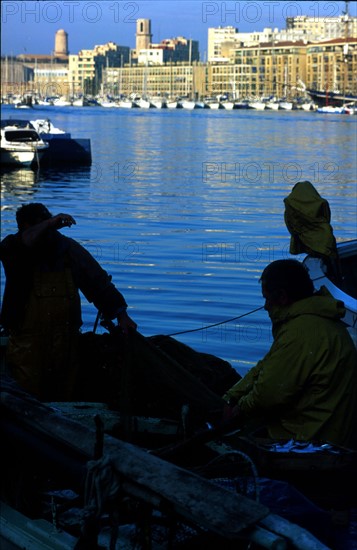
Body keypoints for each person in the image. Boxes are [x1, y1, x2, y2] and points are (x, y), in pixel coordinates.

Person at [0, 203, 137, 401]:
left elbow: (98, 282)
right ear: (24, 227)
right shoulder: (12, 247)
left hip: (66, 345)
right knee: (26, 399)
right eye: (41, 226)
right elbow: (26, 241)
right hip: (26, 347)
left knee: (66, 397)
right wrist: (48, 223)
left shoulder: (67, 249)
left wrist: (121, 315)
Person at [223, 259, 357, 450]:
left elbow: (269, 394)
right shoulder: (313, 320)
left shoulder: (300, 333)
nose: (266, 306)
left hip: (312, 438)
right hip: (322, 425)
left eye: (267, 298)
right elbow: (268, 364)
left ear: (283, 297)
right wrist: (231, 396)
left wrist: (238, 410)